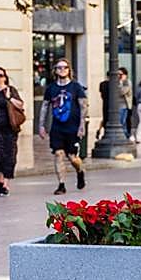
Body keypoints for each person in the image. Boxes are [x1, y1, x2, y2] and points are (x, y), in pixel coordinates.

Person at [39, 59, 88, 195]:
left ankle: (80, 171)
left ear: (69, 70)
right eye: (59, 68)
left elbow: (83, 106)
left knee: (72, 157)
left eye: (65, 67)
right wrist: (41, 125)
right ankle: (61, 185)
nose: (62, 70)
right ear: (55, 70)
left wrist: (82, 125)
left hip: (72, 127)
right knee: (58, 154)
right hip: (57, 127)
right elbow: (45, 106)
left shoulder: (75, 87)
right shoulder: (51, 88)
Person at [0, 67, 25, 197]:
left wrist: (9, 98)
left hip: (10, 128)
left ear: (5, 77)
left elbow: (21, 105)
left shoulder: (10, 90)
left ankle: (5, 184)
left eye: (1, 75)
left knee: (9, 155)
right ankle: (0, 181)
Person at [116, 68, 133, 139]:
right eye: (117, 74)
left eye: (120, 74)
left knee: (122, 122)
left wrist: (120, 83)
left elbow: (122, 92)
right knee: (121, 122)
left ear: (125, 75)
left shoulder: (127, 82)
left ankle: (126, 136)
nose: (118, 76)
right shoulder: (117, 82)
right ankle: (125, 136)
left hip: (124, 105)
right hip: (117, 106)